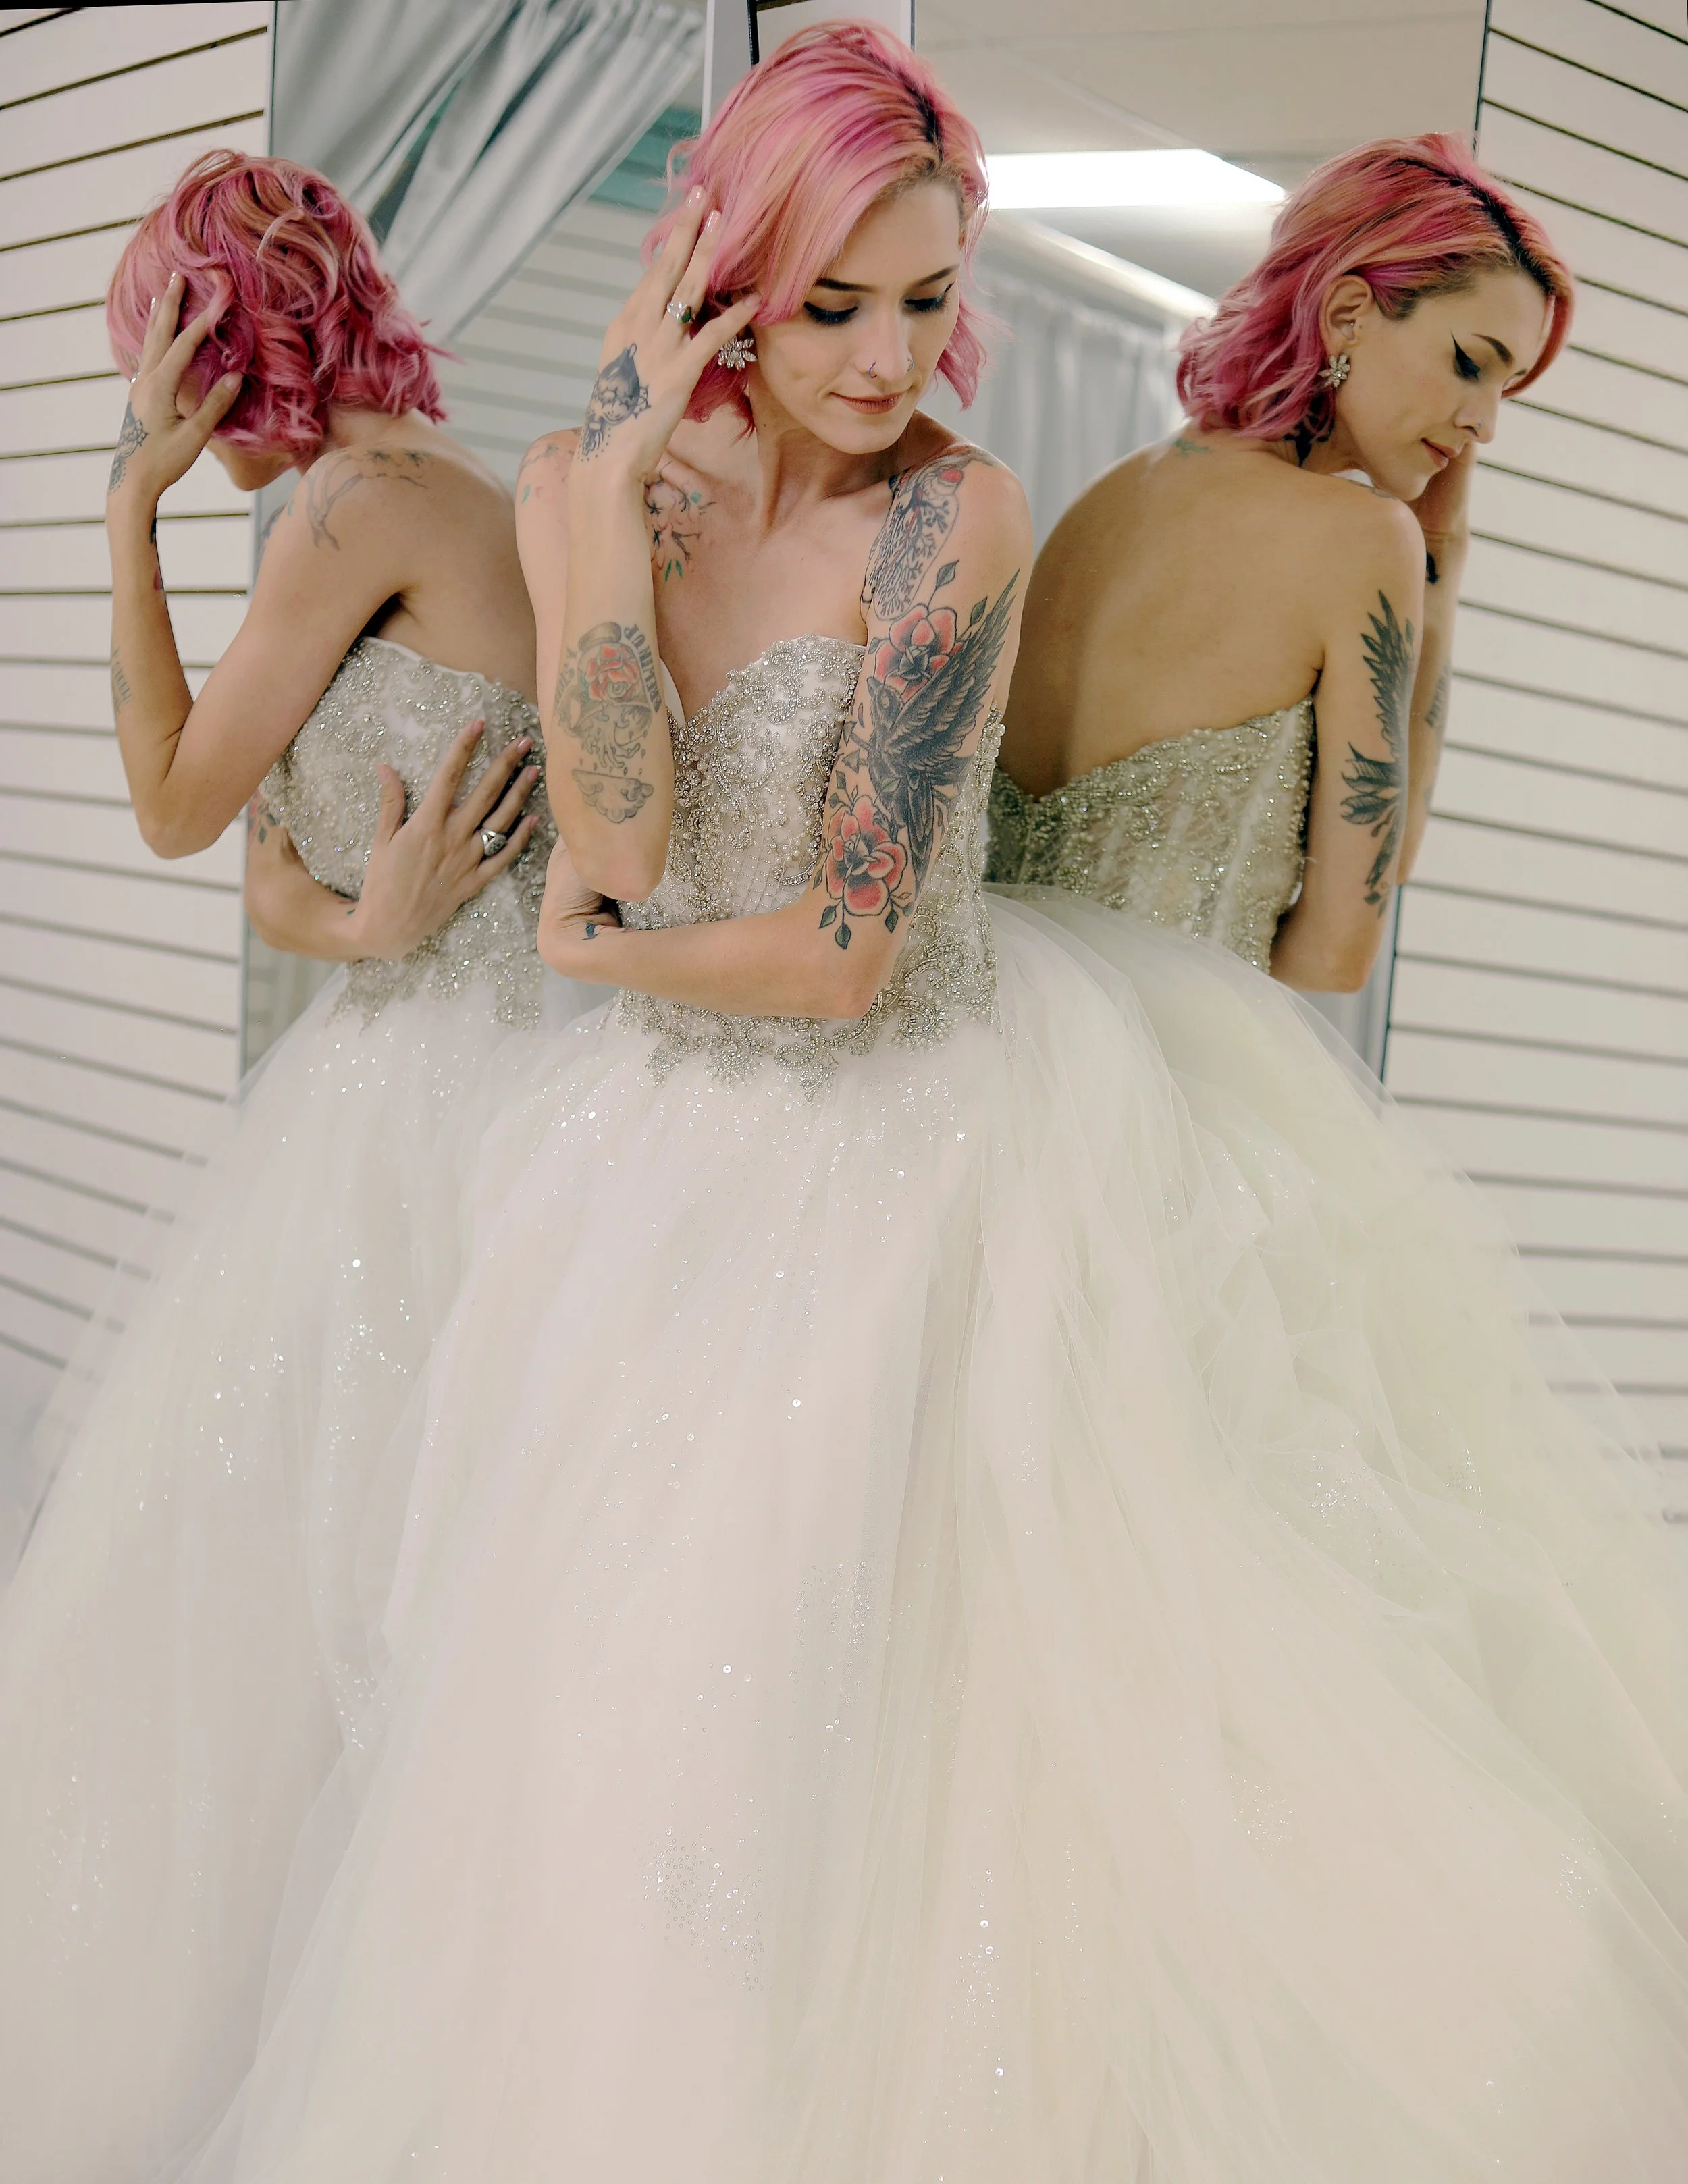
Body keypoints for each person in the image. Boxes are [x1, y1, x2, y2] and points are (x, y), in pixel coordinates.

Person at [52, 44, 1688, 2183]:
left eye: (925, 301)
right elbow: (620, 828)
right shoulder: (572, 482)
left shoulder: (964, 508)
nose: (887, 356)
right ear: (727, 269)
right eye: (835, 301)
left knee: (855, 1736)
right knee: (594, 1739)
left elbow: (835, 952)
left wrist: (601, 956)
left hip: (879, 1136)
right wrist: (625, 512)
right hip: (632, 1164)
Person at [0, 150, 556, 2179]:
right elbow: (277, 879)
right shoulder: (414, 492)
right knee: (318, 1586)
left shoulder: (344, 511)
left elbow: (170, 802)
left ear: (199, 350)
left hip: (437, 1109)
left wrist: (129, 507)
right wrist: (365, 922)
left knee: (331, 1594)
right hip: (416, 1060)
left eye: (152, 370)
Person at [990, 134, 1568, 992]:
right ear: (1346, 315)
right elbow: (1339, 949)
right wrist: (1438, 562)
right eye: (1469, 365)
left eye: (1505, 387)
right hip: (1172, 1067)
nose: (1484, 423)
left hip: (985, 1040)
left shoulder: (1111, 495)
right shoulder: (1361, 537)